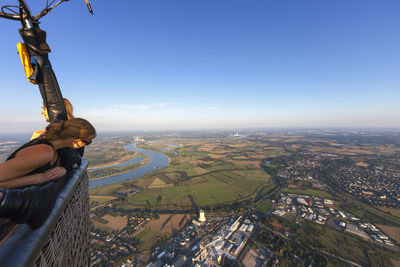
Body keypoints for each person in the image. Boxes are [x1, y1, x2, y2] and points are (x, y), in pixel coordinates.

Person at [0, 118, 96, 229]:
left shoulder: (52, 147)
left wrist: (64, 168)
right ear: (77, 140)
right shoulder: (44, 153)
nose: (87, 145)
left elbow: (74, 160)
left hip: (14, 211)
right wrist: (39, 178)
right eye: (87, 142)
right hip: (8, 211)